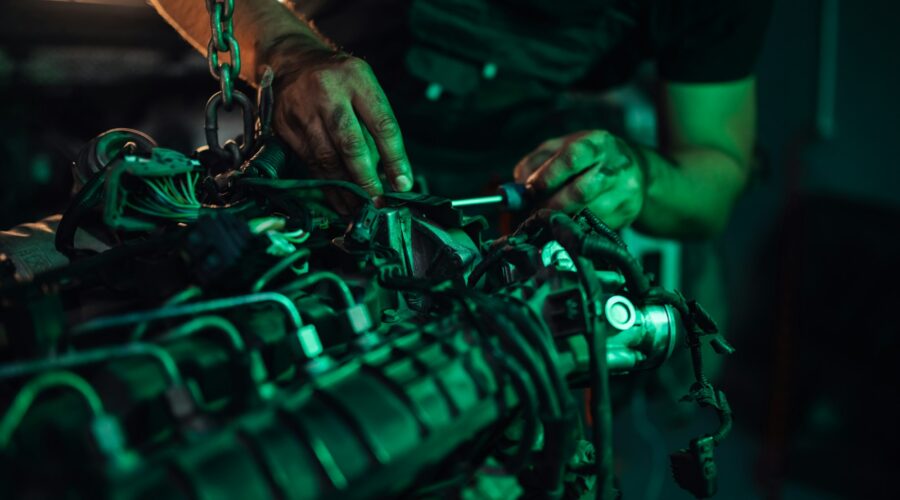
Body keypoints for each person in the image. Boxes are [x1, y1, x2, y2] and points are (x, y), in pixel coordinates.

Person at [151, 0, 771, 238]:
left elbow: (714, 173)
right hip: (315, 155)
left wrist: (641, 176)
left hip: (521, 204)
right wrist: (288, 51)